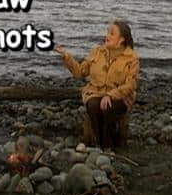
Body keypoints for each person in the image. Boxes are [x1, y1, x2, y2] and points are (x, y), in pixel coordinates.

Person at [54, 20, 139, 150]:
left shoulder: (131, 58)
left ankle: (107, 145)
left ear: (121, 39)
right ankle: (101, 145)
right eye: (107, 32)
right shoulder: (97, 52)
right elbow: (80, 72)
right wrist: (66, 56)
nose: (107, 36)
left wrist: (110, 95)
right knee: (93, 105)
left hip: (120, 97)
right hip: (95, 92)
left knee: (108, 107)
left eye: (112, 33)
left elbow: (131, 85)